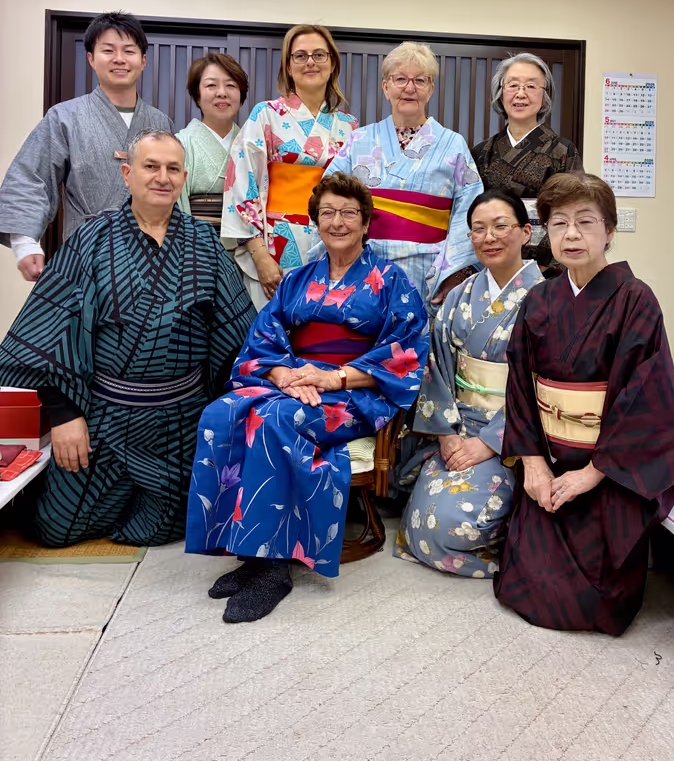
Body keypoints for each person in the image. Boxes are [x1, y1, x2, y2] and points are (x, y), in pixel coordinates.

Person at [186, 172, 429, 623]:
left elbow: (407, 352)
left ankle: (272, 568)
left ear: (366, 223)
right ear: (316, 221)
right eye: (327, 213)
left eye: (348, 213)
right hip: (297, 381)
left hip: (355, 392)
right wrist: (285, 374)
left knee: (275, 421)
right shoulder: (297, 279)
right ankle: (247, 550)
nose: (338, 222)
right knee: (220, 413)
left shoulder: (392, 280)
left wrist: (332, 378)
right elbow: (264, 337)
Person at [0, 130, 255, 547]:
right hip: (105, 417)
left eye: (173, 169)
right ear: (127, 173)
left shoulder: (205, 242)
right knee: (56, 529)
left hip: (180, 424)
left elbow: (238, 330)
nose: (162, 177)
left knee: (161, 532)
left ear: (184, 178)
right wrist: (64, 415)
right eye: (150, 166)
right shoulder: (91, 239)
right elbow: (47, 329)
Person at [493, 173, 674, 634]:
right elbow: (520, 388)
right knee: (523, 582)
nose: (571, 235)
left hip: (609, 471)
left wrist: (591, 474)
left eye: (585, 222)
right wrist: (535, 467)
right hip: (552, 462)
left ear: (609, 231)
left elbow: (645, 397)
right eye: (558, 224)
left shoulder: (635, 300)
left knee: (594, 599)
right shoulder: (539, 300)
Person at [394, 190, 543, 577]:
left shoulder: (546, 300)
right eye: (478, 229)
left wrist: (489, 442)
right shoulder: (459, 294)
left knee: (448, 525)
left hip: (516, 436)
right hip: (457, 426)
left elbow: (542, 384)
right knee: (422, 521)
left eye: (500, 226)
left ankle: (518, 537)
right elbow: (436, 368)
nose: (489, 237)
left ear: (525, 232)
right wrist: (446, 434)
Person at [0, 11, 173, 282]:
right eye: (108, 50)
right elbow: (31, 177)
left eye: (128, 51)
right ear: (91, 59)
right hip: (85, 257)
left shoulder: (161, 122)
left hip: (152, 258)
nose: (119, 59)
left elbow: (173, 191)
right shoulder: (64, 117)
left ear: (143, 61)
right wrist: (26, 242)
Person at [322, 42, 482, 311]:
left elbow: (470, 209)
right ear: (386, 87)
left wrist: (454, 272)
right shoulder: (359, 140)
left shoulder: (453, 144)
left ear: (431, 89)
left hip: (429, 268)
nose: (410, 88)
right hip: (361, 263)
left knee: (418, 346)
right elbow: (329, 197)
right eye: (400, 79)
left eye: (420, 80)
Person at [222, 24, 358, 308]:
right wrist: (260, 255)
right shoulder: (266, 115)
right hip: (275, 243)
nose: (310, 62)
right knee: (274, 336)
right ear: (288, 65)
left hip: (334, 242)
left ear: (333, 63)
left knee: (326, 338)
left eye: (319, 55)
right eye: (300, 56)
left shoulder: (350, 126)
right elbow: (243, 183)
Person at [471, 53, 583, 273]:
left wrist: (550, 267)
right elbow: (470, 211)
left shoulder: (562, 150)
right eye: (513, 85)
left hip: (543, 269)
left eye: (531, 86)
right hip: (490, 261)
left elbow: (574, 211)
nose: (521, 94)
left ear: (545, 96)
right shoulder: (481, 152)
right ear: (500, 93)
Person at [176, 52, 248, 238]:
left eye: (231, 85)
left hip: (246, 255)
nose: (221, 93)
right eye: (211, 85)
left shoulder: (252, 145)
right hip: (196, 251)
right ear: (197, 97)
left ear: (241, 96)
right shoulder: (181, 144)